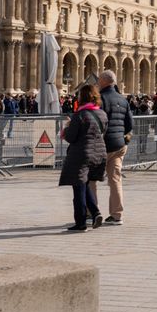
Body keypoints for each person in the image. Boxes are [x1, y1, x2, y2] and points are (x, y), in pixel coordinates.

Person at [60, 85, 108, 231]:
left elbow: (70, 137)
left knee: (78, 189)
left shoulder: (80, 115)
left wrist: (66, 127)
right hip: (98, 154)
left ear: (82, 97)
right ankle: (95, 213)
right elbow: (103, 132)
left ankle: (80, 222)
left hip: (81, 155)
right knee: (85, 185)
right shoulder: (102, 114)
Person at [93, 70, 133, 226]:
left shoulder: (101, 99)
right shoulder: (123, 100)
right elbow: (130, 125)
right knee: (115, 180)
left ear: (103, 82)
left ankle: (92, 212)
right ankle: (117, 215)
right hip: (119, 146)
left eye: (98, 81)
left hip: (103, 145)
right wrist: (124, 142)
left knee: (91, 179)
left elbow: (97, 123)